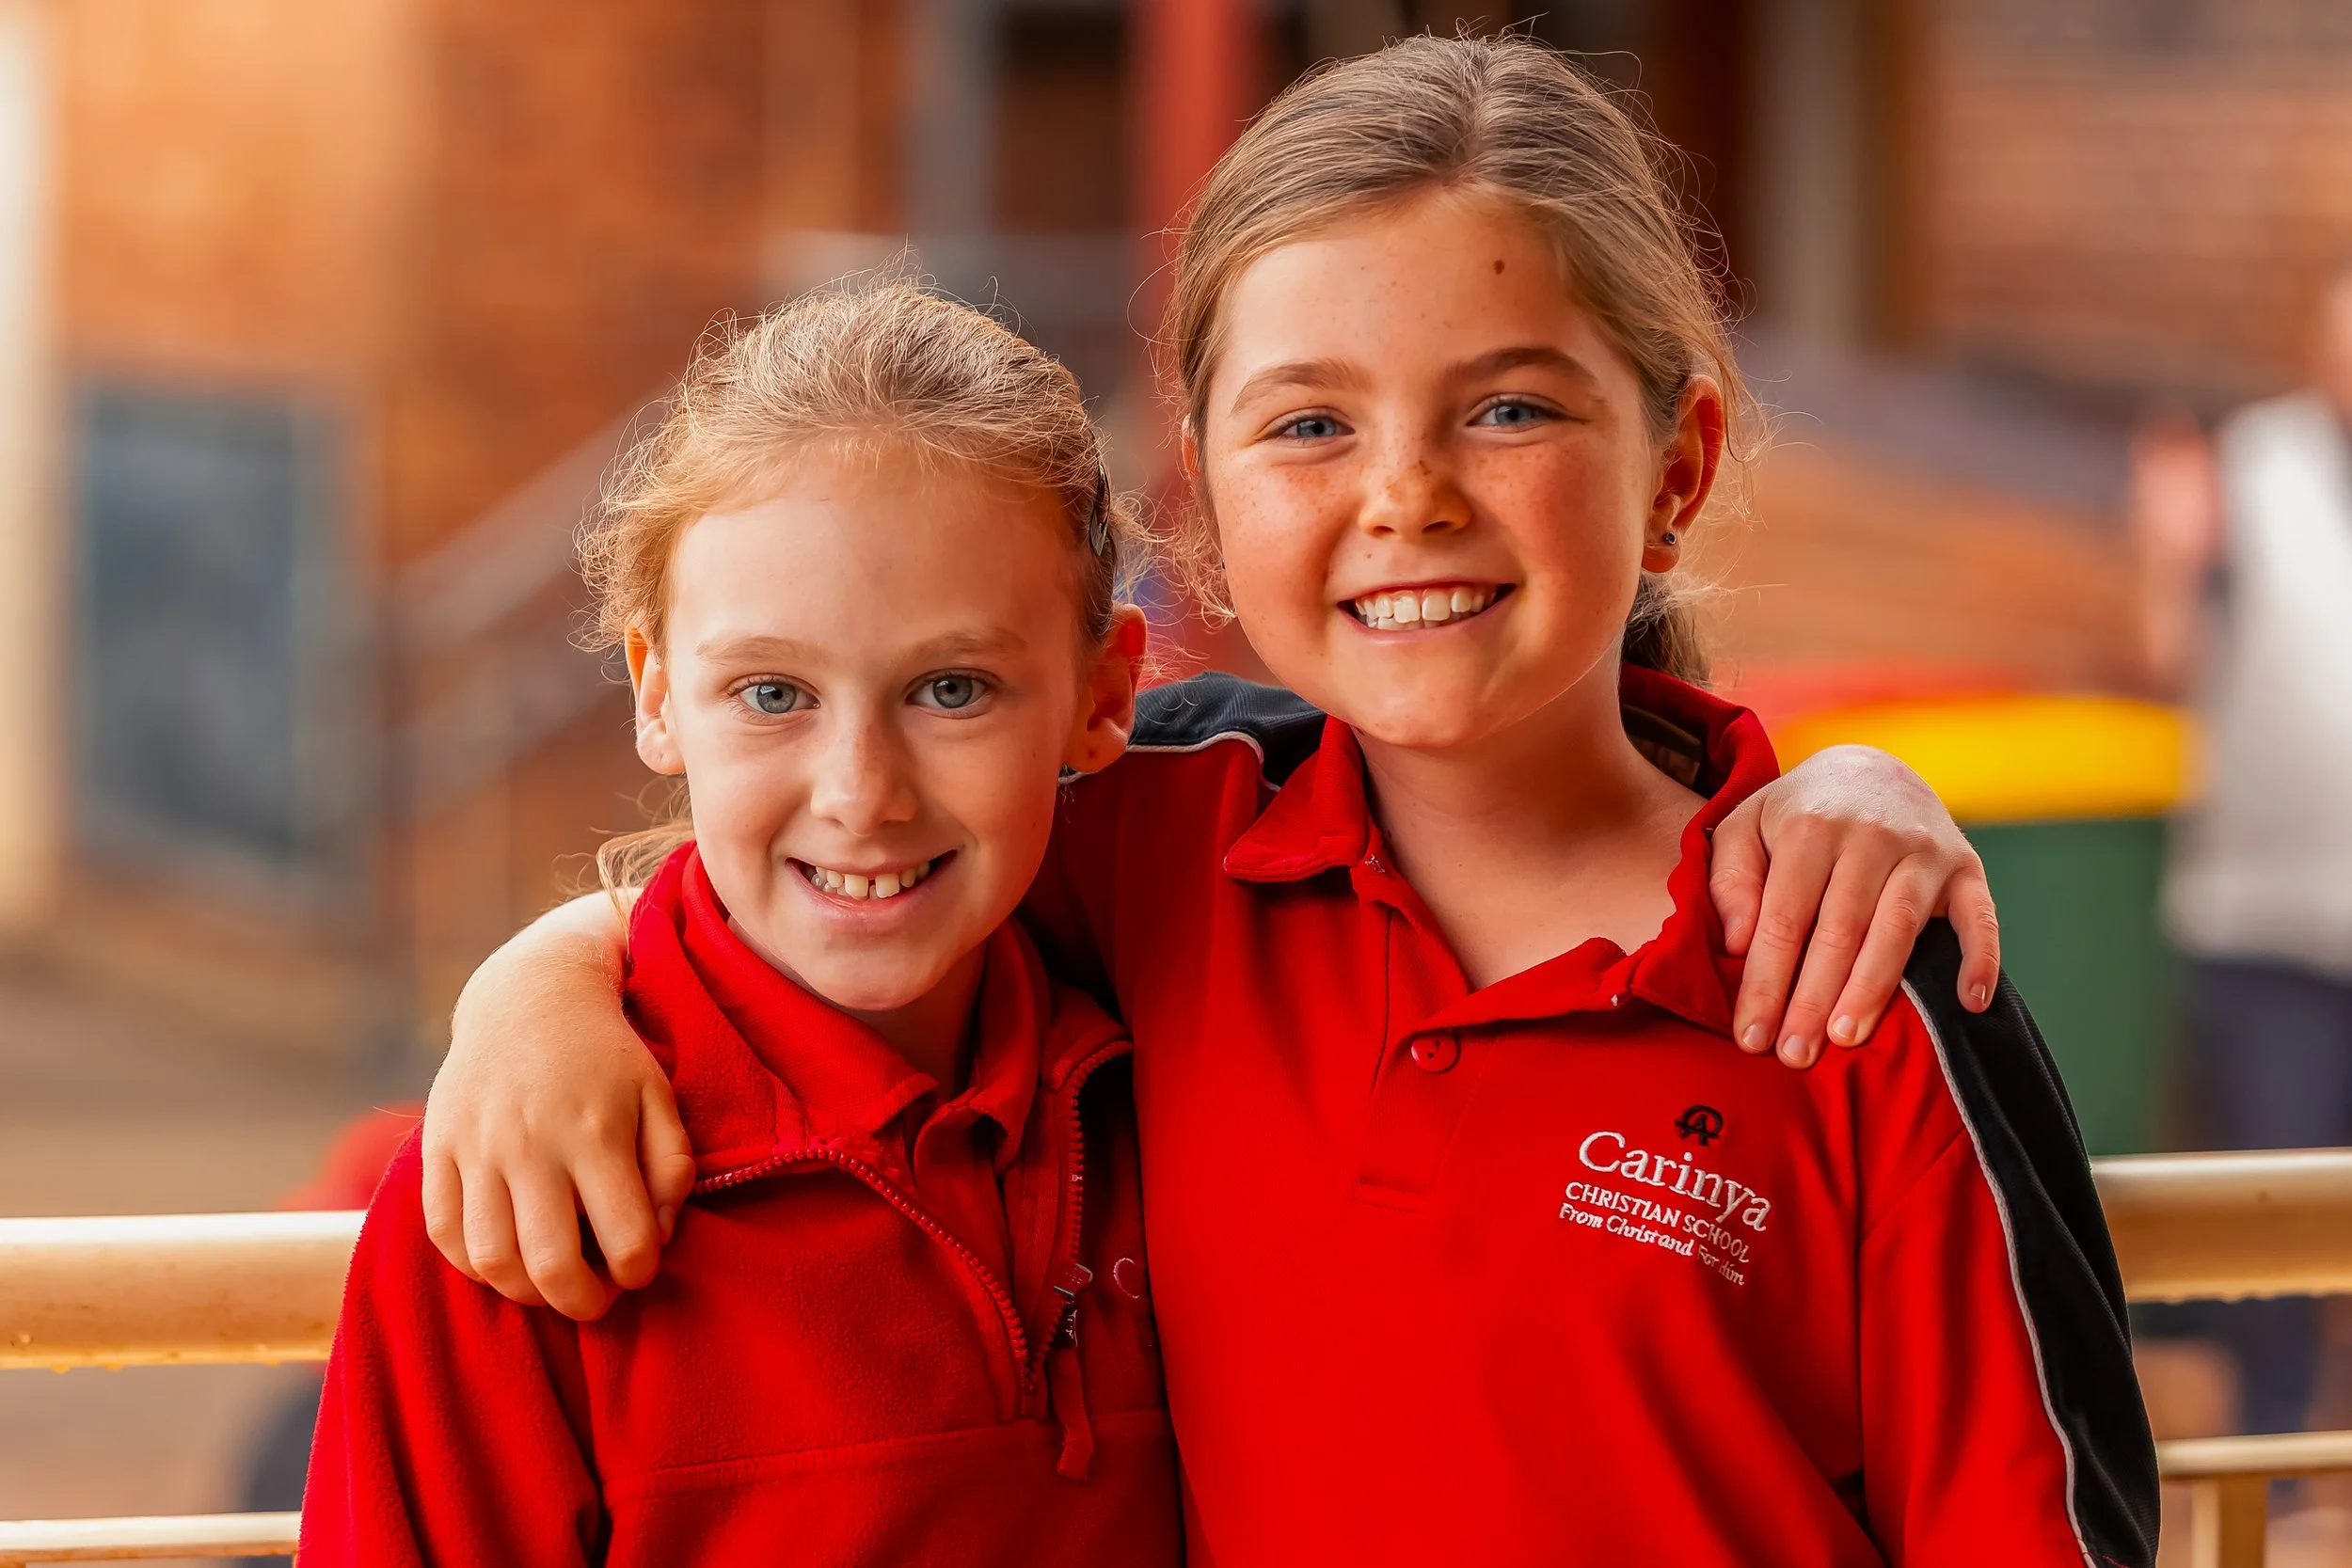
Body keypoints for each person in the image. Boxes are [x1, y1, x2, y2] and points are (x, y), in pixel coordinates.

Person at [420, 37, 2155, 1565]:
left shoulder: (1846, 964)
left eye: (1510, 407)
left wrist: (1860, 785)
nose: (1405, 495)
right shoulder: (1149, 836)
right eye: (1311, 424)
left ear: (1678, 467)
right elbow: (838, 840)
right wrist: (546, 983)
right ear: (1209, 483)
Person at [299, 282, 1181, 1564]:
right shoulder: (519, 1200)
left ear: (1105, 695)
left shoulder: (1186, 1043)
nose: (861, 790)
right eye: (773, 689)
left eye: (952, 687)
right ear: (658, 693)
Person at [2132, 265, 2352, 1439]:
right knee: (2274, 1226)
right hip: (2266, 930)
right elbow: (2169, 666)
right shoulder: (2246, 475)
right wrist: (2167, 559)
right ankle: (2265, 1474)